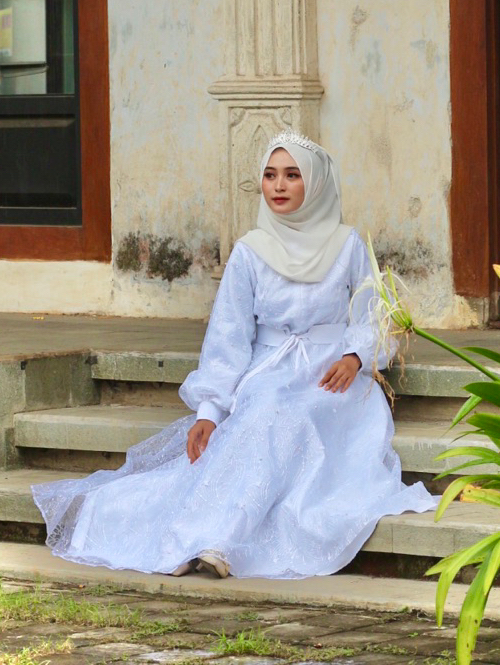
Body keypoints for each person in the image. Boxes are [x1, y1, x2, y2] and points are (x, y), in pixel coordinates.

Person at [32, 130, 438, 579]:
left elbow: (374, 313)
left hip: (333, 379)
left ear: (317, 183)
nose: (278, 186)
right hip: (270, 371)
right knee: (265, 414)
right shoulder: (250, 251)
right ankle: (197, 540)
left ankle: (220, 542)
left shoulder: (347, 245)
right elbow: (229, 336)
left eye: (292, 175)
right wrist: (210, 410)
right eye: (270, 175)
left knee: (292, 418)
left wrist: (355, 357)